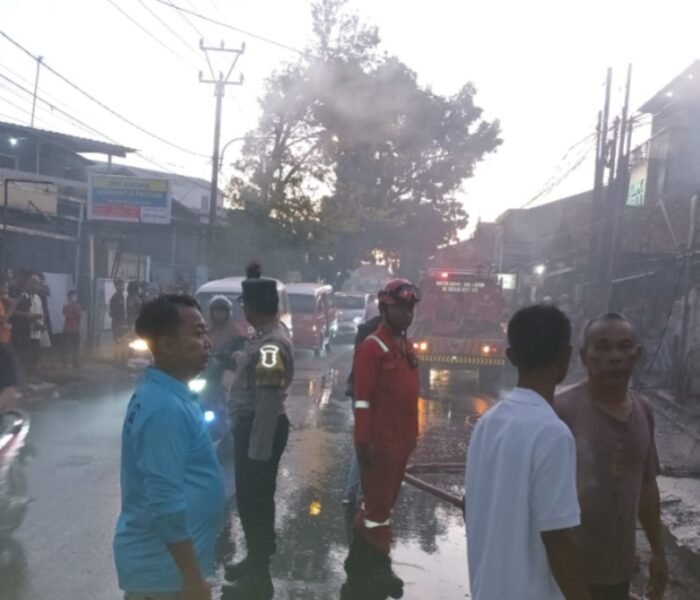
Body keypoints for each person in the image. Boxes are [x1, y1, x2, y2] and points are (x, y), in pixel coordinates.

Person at [465, 305, 590, 600]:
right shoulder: (553, 434)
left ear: (511, 357)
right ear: (566, 358)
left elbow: (469, 506)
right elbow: (559, 538)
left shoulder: (487, 423)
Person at [113, 294, 225, 600]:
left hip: (167, 572)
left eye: (206, 333)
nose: (207, 343)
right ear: (166, 345)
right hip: (164, 576)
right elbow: (166, 501)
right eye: (198, 333)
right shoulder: (165, 408)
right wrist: (192, 578)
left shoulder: (169, 395)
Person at [554, 313, 668, 600]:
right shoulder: (561, 411)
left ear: (636, 355)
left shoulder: (643, 411)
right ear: (584, 356)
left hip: (617, 572)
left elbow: (647, 486)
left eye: (624, 347)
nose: (615, 357)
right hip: (563, 574)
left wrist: (658, 552)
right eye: (602, 347)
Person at [342, 279, 421, 599]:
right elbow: (362, 401)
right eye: (401, 308)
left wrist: (413, 437)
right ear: (385, 309)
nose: (407, 314)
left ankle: (358, 563)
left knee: (384, 506)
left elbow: (409, 398)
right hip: (379, 445)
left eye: (410, 308)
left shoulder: (405, 346)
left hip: (401, 443)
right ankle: (377, 568)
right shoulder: (372, 349)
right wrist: (363, 443)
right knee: (377, 511)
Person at [222, 263, 294, 599]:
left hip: (260, 427)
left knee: (256, 501)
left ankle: (259, 575)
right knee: (250, 498)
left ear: (252, 308)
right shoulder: (265, 336)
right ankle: (254, 560)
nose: (243, 310)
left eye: (245, 304)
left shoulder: (270, 346)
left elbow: (267, 399)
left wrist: (258, 448)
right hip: (255, 426)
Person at [342, 314, 383, 506]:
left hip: (359, 394)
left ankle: (354, 492)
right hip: (369, 397)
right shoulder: (377, 340)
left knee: (364, 443)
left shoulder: (366, 334)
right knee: (368, 444)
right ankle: (359, 493)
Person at [10, 274, 44, 379]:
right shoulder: (21, 295)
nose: (35, 286)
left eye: (37, 283)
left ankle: (31, 376)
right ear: (28, 283)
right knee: (23, 355)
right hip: (23, 331)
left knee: (34, 354)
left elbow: (40, 313)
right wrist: (28, 317)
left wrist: (41, 324)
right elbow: (12, 313)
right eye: (33, 283)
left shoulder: (38, 298)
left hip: (36, 331)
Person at [0, 278, 20, 411]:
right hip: (2, 344)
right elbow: (3, 320)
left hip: (4, 341)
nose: (7, 290)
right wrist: (13, 306)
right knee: (12, 385)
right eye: (5, 287)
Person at [62, 290, 82, 368]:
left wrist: (74, 305)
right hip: (67, 329)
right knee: (67, 347)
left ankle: (76, 362)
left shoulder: (78, 306)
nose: (75, 297)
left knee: (76, 347)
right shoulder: (66, 306)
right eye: (73, 296)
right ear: (69, 297)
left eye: (75, 296)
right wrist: (71, 305)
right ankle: (66, 362)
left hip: (76, 329)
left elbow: (79, 316)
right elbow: (66, 314)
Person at [110, 279, 128, 356]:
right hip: (117, 323)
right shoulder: (115, 298)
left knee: (123, 341)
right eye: (121, 285)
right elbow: (112, 312)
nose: (123, 287)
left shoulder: (122, 297)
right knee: (118, 341)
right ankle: (116, 357)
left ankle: (122, 357)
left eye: (123, 285)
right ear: (116, 287)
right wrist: (119, 320)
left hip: (123, 322)